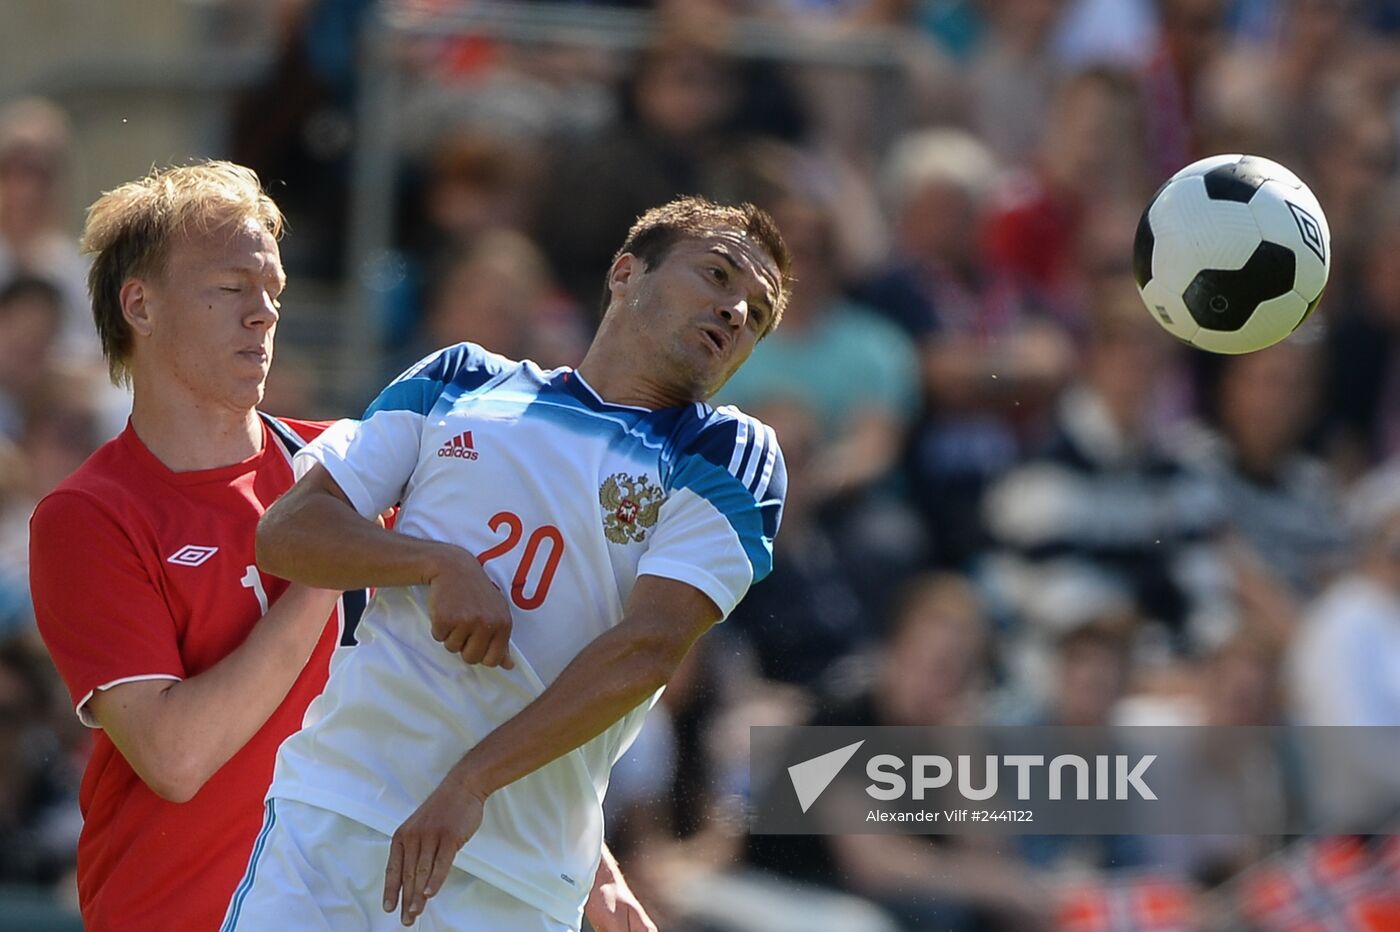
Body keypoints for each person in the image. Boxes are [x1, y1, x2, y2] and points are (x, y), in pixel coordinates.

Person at [229, 196, 791, 930]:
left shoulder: (728, 454)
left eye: (757, 313)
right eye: (717, 274)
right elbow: (288, 532)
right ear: (626, 274)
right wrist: (437, 564)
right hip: (334, 815)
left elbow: (650, 647)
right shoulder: (459, 378)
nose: (736, 311)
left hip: (512, 876)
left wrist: (473, 783)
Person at [26, 161, 367, 931]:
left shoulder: (350, 463)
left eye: (273, 289)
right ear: (139, 305)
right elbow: (175, 756)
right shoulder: (87, 516)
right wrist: (330, 563)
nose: (263, 314)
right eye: (231, 287)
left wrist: (588, 862)